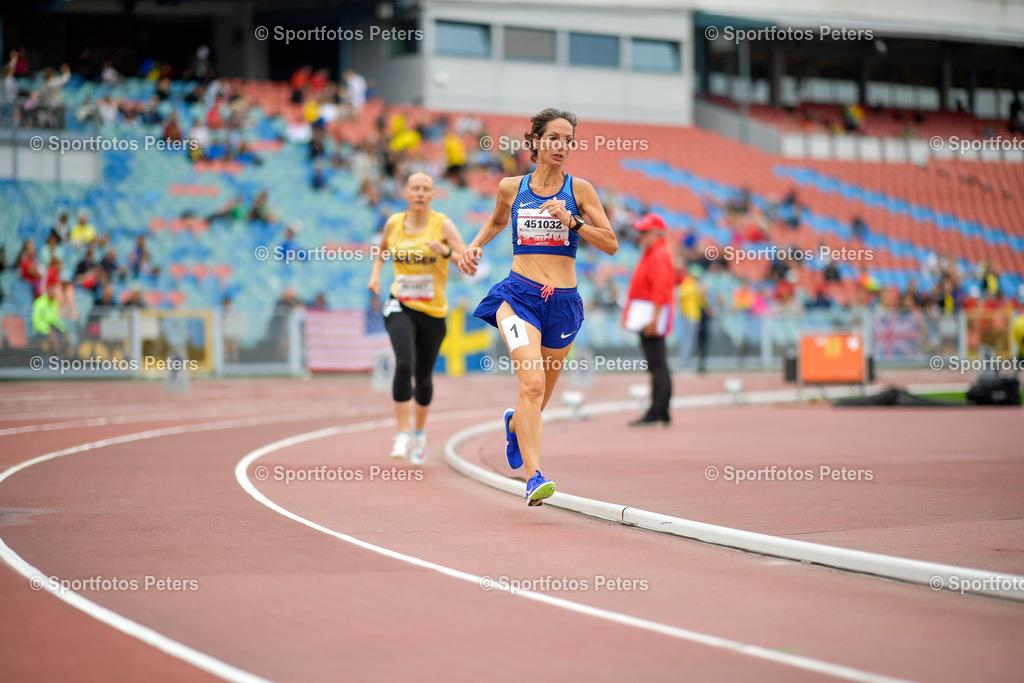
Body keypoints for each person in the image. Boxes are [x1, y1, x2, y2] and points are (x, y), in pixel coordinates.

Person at [458, 108, 618, 505]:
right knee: (530, 384)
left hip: (564, 305)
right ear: (536, 142)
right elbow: (496, 222)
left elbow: (611, 243)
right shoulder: (512, 188)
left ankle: (515, 424)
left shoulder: (580, 191)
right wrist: (474, 246)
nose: (561, 146)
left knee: (539, 397)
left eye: (568, 140)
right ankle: (534, 478)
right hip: (518, 296)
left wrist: (573, 222)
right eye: (554, 138)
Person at [368, 172, 466, 465]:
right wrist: (375, 275)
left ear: (433, 194)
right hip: (401, 303)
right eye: (415, 189)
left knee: (422, 378)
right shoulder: (394, 223)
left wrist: (446, 251)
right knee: (405, 363)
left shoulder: (443, 224)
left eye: (426, 189)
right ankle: (401, 433)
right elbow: (382, 250)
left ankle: (420, 433)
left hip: (433, 313)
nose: (421, 193)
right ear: (406, 193)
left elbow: (467, 263)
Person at [622, 214, 676, 427]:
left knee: (657, 363)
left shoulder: (659, 254)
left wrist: (654, 319)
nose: (640, 236)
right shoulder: (654, 252)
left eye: (644, 232)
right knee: (657, 363)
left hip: (651, 315)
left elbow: (661, 289)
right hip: (649, 313)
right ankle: (661, 410)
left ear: (656, 233)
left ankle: (658, 411)